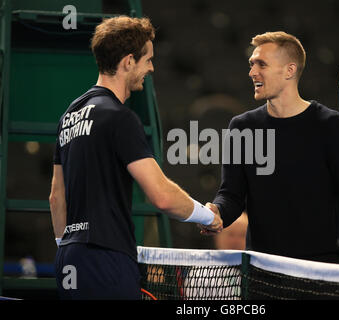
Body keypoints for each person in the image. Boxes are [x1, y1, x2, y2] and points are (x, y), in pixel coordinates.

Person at [49, 16, 222, 300]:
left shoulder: (69, 115)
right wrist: (208, 216)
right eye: (148, 60)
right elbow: (162, 196)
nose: (151, 68)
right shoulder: (120, 118)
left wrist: (68, 248)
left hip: (69, 258)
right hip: (107, 260)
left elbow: (56, 197)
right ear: (129, 61)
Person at [203, 31, 339, 267]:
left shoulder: (330, 125)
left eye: (261, 64)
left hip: (319, 271)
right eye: (252, 64)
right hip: (262, 270)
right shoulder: (242, 127)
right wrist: (217, 211)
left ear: (289, 70)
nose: (252, 72)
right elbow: (231, 195)